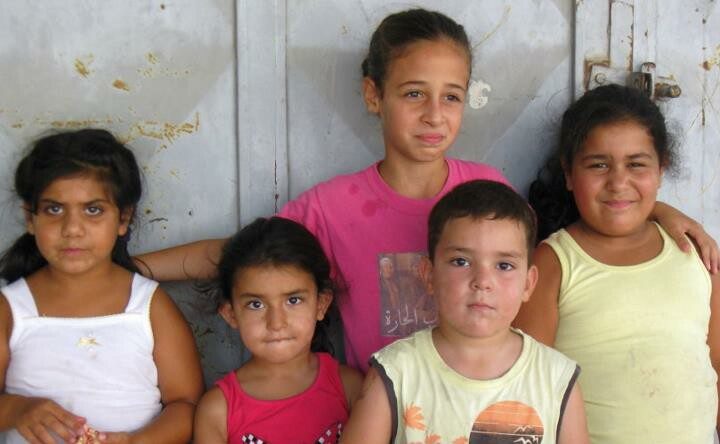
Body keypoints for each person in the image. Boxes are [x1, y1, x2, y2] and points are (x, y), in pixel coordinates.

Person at [135, 8, 718, 372]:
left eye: (451, 96)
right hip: (381, 409)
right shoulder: (331, 209)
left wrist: (659, 211)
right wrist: (129, 268)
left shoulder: (486, 190)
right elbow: (245, 258)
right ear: (374, 95)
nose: (434, 115)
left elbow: (573, 226)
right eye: (414, 93)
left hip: (477, 407)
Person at [514, 84, 720, 443]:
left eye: (636, 164)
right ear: (568, 173)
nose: (618, 182)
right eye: (598, 165)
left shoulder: (695, 254)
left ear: (661, 169)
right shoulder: (554, 264)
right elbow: (528, 389)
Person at [341, 180, 589, 443]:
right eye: (461, 261)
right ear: (429, 275)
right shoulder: (396, 373)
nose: (483, 281)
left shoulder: (556, 379)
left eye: (504, 266)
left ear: (528, 284)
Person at [0, 130, 203, 444]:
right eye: (54, 209)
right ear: (30, 217)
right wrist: (16, 410)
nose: (72, 229)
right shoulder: (11, 309)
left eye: (93, 210)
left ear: (123, 218)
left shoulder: (148, 305)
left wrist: (136, 442)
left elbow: (187, 405)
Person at [193, 217, 362, 443]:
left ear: (321, 304)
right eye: (256, 304)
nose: (276, 323)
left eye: (293, 300)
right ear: (230, 313)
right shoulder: (217, 410)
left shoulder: (350, 388)